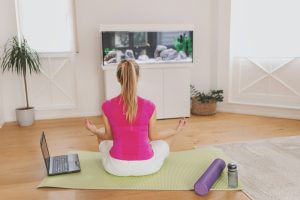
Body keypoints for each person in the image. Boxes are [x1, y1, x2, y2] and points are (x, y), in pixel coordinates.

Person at [85, 59, 186, 176]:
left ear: (118, 79)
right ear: (137, 77)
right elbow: (153, 136)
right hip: (147, 167)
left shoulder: (106, 106)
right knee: (169, 137)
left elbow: (108, 136)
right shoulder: (149, 105)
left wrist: (94, 130)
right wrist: (175, 130)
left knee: (100, 132)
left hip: (116, 167)